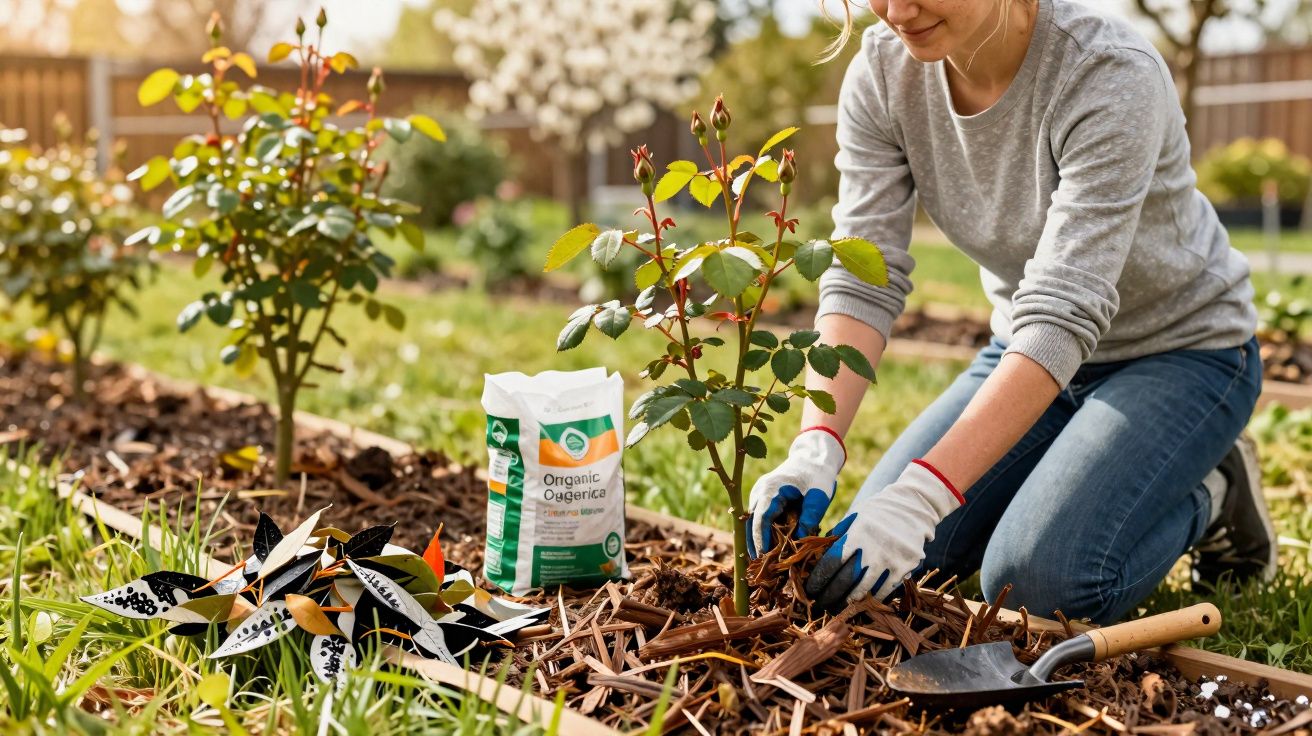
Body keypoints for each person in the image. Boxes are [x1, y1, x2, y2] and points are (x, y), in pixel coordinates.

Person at [746, 0, 1277, 625]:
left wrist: (923, 495)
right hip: (1025, 354)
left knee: (1036, 583)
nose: (896, 11)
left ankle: (1214, 491)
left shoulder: (1106, 72)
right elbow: (867, 274)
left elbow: (1064, 311)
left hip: (1181, 353)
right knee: (894, 566)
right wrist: (817, 443)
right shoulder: (884, 75)